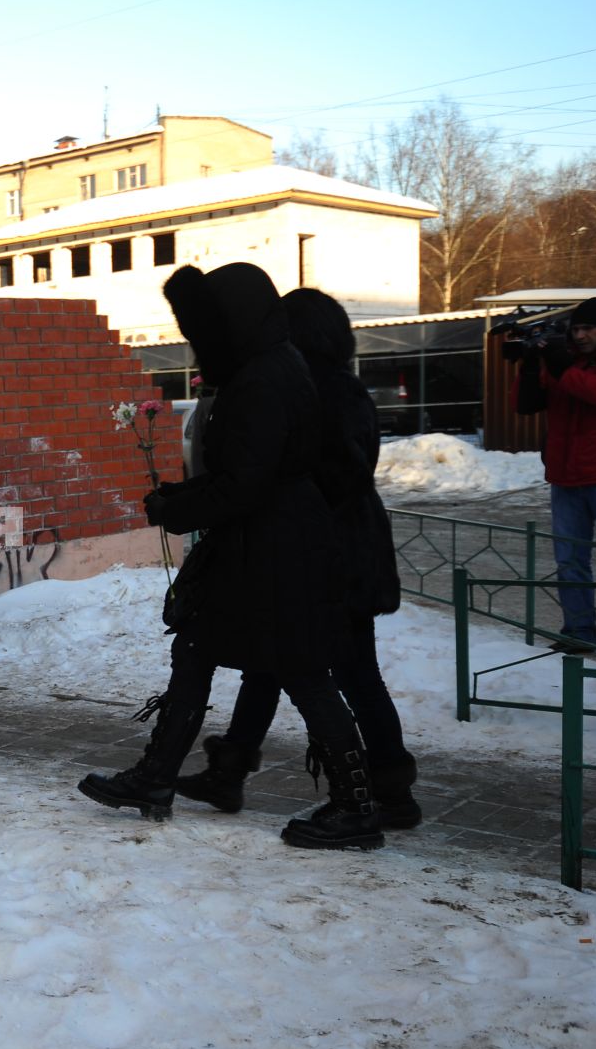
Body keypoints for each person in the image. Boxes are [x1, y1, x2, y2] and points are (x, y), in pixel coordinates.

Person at [76, 262, 383, 851]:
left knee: (301, 672)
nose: (199, 342)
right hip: (259, 544)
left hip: (274, 550)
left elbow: (246, 483)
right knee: (195, 651)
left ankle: (355, 806)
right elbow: (250, 476)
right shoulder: (268, 367)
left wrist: (175, 506)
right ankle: (156, 778)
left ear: (235, 320)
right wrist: (181, 498)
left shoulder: (264, 379)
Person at [172, 288, 420, 830]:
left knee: (355, 675)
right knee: (269, 663)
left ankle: (390, 792)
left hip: (338, 556)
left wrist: (287, 501)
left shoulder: (330, 391)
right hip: (307, 551)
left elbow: (343, 474)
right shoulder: (299, 385)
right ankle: (228, 771)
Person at [512, 296, 596, 653]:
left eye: (588, 328)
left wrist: (561, 366)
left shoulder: (569, 366)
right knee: (569, 561)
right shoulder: (564, 362)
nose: (579, 335)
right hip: (565, 478)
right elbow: (526, 403)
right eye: (575, 328)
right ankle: (578, 632)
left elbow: (591, 391)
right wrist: (531, 366)